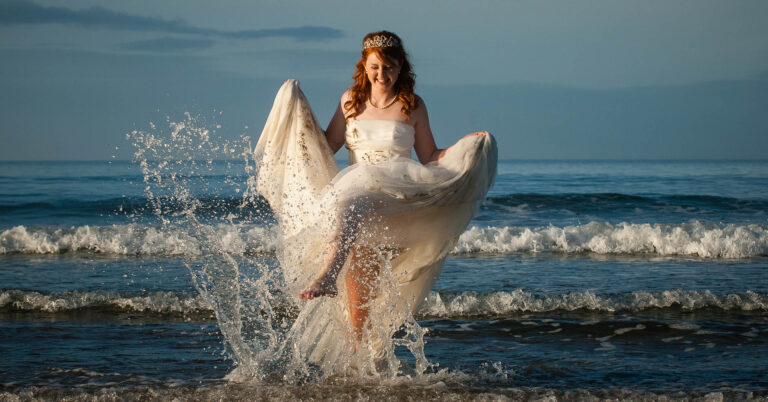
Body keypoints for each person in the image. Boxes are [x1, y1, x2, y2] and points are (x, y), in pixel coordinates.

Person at [254, 31, 496, 371]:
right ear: (364, 66)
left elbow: (429, 155)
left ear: (401, 68)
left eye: (389, 67)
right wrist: (299, 113)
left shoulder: (412, 105)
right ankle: (359, 362)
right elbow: (327, 146)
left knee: (352, 208)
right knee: (360, 289)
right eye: (375, 67)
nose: (382, 75)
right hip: (358, 201)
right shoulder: (350, 101)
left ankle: (327, 274)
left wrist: (466, 146)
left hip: (396, 200)